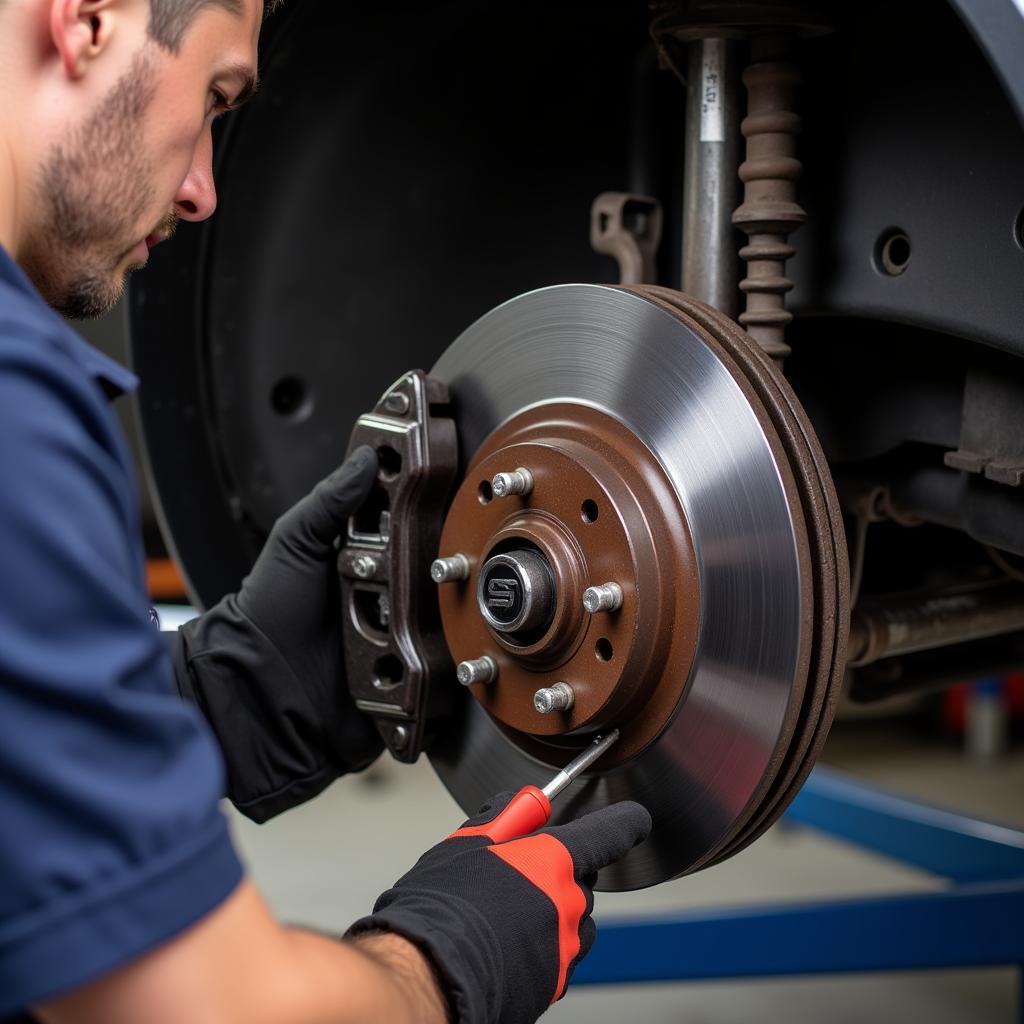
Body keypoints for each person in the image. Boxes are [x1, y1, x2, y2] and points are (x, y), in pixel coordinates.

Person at [0, 0, 653, 1021]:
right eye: (216, 100)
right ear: (87, 20)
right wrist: (439, 964)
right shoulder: (16, 411)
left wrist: (229, 692)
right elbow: (202, 1010)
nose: (204, 190)